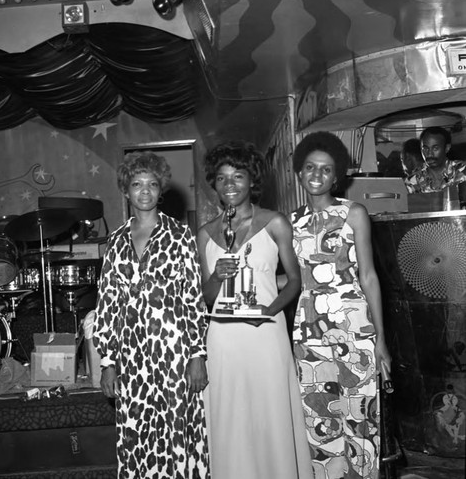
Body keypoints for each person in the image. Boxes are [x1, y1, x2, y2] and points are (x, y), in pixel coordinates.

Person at [197, 140, 313, 479]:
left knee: (270, 413)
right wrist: (217, 276)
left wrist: (269, 310)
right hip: (222, 337)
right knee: (229, 416)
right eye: (222, 178)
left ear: (252, 181)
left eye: (238, 177)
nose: (229, 185)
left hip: (265, 331)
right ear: (214, 184)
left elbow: (294, 280)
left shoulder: (275, 222)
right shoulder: (205, 234)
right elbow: (204, 295)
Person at [92, 151, 210, 479]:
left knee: (180, 433)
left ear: (161, 191)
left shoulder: (180, 235)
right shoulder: (115, 242)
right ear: (126, 190)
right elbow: (108, 303)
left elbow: (192, 298)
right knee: (137, 435)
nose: (145, 190)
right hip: (131, 356)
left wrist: (196, 355)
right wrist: (107, 363)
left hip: (175, 351)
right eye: (137, 184)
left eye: (152, 184)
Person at [290, 131, 391, 479]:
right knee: (319, 422)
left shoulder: (354, 214)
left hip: (355, 331)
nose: (317, 175)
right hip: (309, 335)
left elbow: (370, 278)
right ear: (299, 173)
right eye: (310, 168)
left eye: (326, 169)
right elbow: (291, 281)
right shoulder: (289, 224)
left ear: (337, 176)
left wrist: (381, 340)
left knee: (360, 421)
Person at [404, 126, 466, 195]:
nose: (429, 154)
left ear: (447, 148)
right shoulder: (413, 180)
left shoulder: (462, 171)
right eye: (426, 148)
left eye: (435, 148)